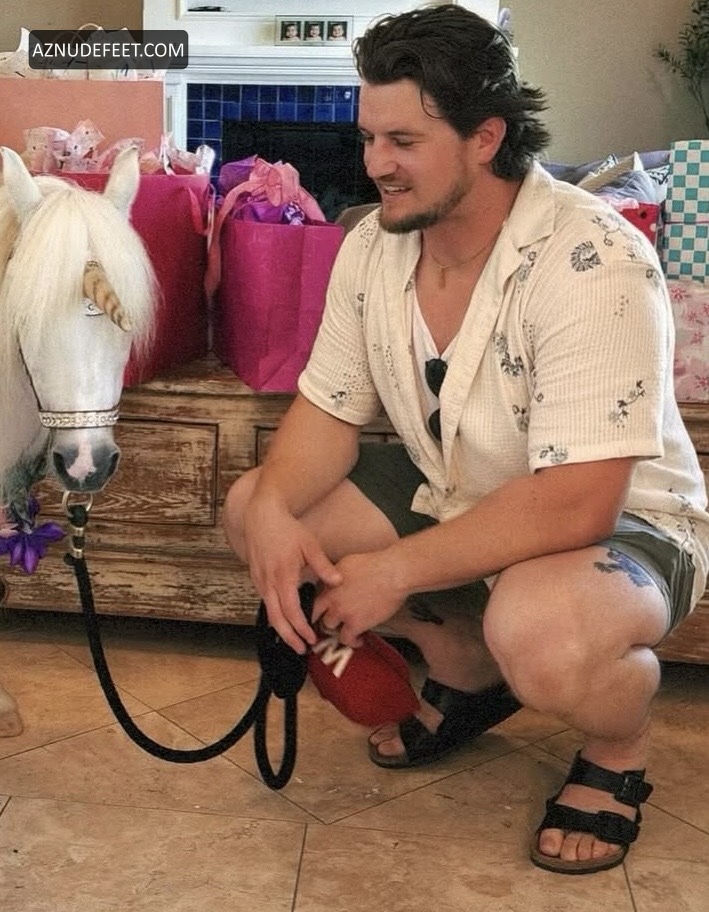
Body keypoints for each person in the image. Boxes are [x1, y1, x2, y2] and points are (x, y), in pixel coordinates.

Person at [223, 3, 709, 876]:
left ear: (485, 137)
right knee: (255, 506)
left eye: (403, 141)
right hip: (453, 486)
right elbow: (326, 416)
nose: (374, 164)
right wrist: (268, 511)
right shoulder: (371, 246)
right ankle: (465, 663)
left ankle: (616, 746)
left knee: (542, 632)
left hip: (620, 523)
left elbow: (577, 502)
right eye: (368, 138)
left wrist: (393, 571)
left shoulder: (592, 259)